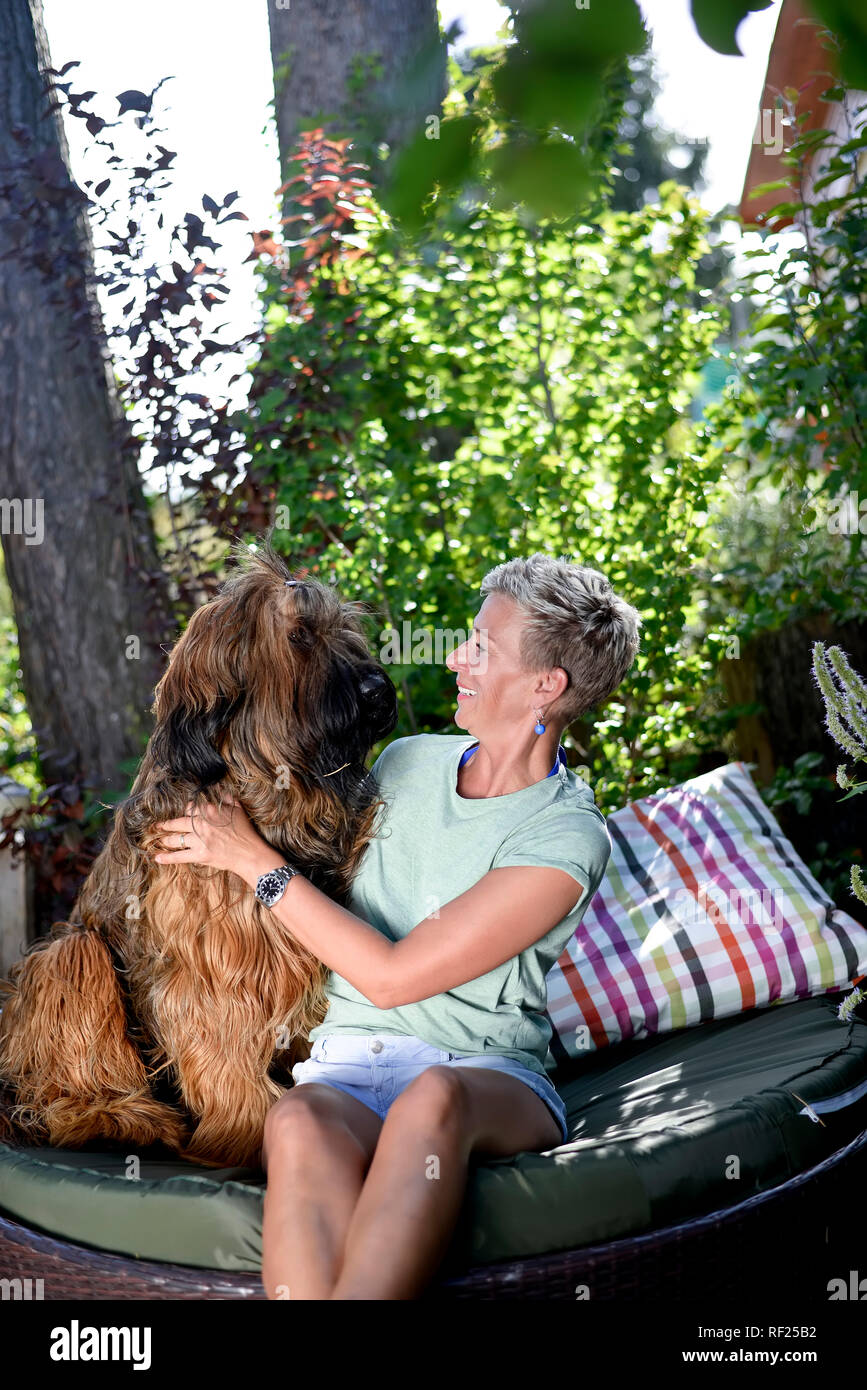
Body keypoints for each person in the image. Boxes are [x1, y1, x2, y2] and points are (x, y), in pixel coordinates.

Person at [154, 552, 641, 1300]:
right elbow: (301, 837)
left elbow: (390, 977)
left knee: (431, 1097)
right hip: (348, 1065)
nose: (456, 657)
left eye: (481, 646)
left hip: (482, 1075)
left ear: (546, 686)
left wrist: (251, 862)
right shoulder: (408, 761)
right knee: (297, 1121)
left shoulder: (565, 836)